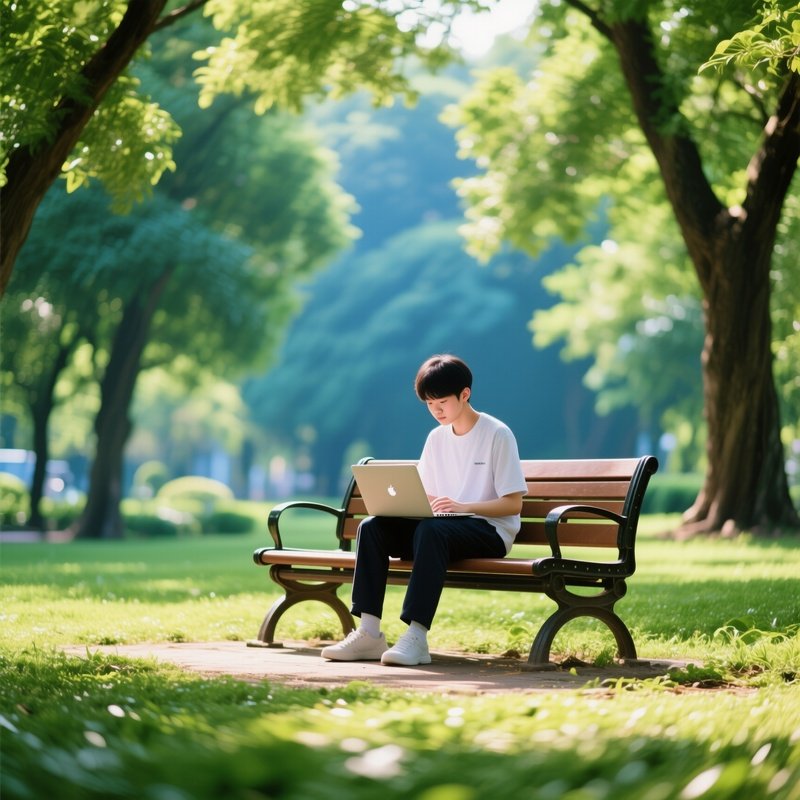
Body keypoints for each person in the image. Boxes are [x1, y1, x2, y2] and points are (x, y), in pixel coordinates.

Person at [321, 354, 528, 666]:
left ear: (465, 394)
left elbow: (513, 503)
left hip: (489, 530)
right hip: (441, 528)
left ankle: (416, 636)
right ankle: (369, 633)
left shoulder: (496, 434)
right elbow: (426, 491)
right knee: (372, 527)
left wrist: (464, 506)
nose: (436, 410)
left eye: (442, 401)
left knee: (431, 530)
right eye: (430, 404)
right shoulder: (436, 438)